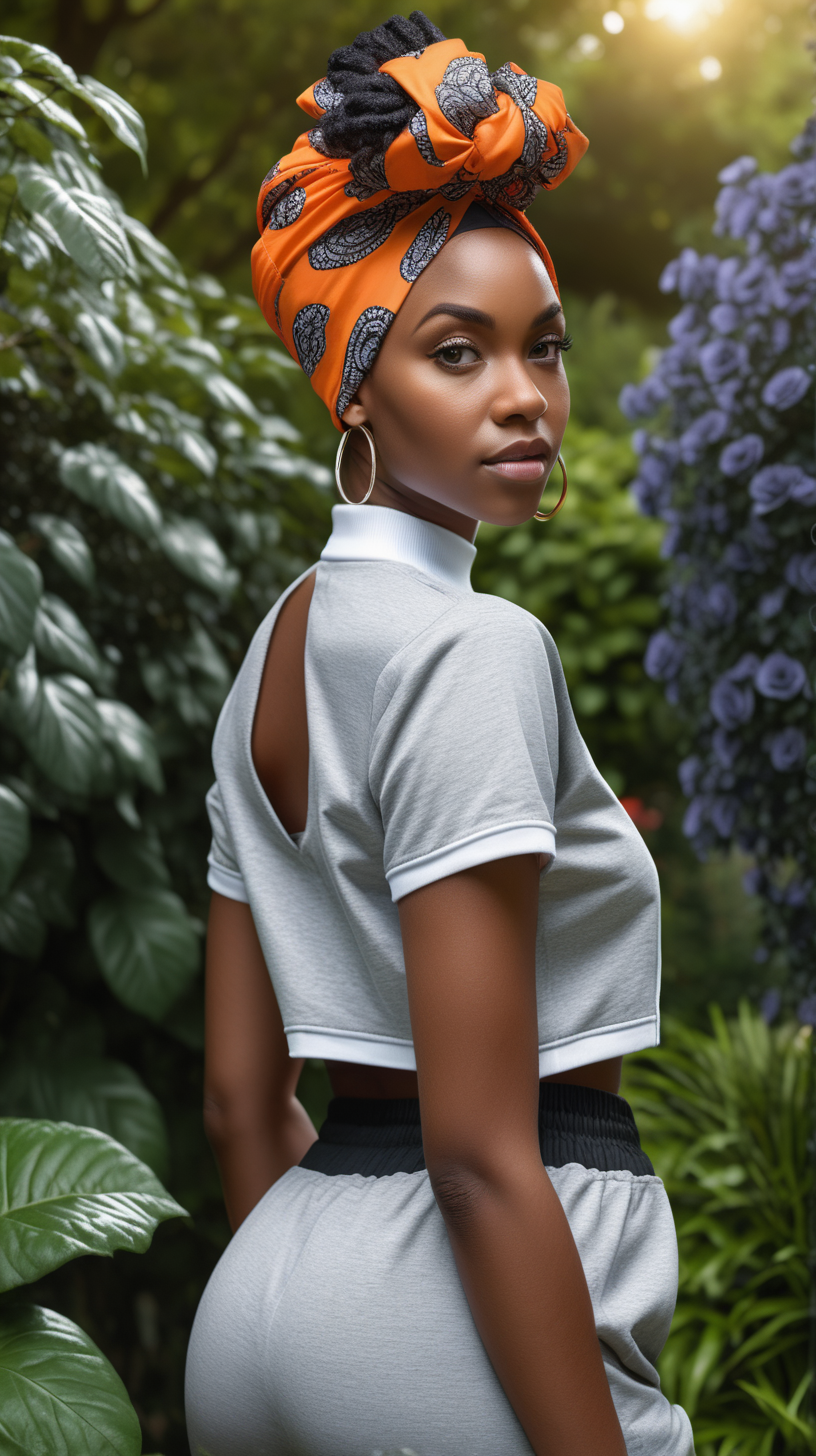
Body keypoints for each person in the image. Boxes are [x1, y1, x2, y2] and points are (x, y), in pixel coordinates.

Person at [185, 12, 694, 1455]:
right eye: (456, 354)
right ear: (355, 386)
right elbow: (478, 1155)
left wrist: (316, 1306)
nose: (525, 397)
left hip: (268, 1300)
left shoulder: (272, 654)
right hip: (451, 1324)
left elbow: (239, 1098)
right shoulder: (478, 651)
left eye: (542, 348)